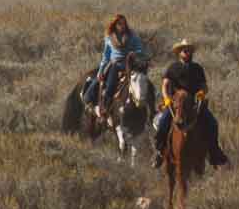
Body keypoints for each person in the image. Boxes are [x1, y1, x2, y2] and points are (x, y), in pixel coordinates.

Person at [153, 40, 229, 168]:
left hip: (194, 103)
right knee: (163, 123)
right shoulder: (173, 67)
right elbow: (165, 85)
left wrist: (201, 93)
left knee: (212, 123)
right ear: (180, 53)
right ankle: (160, 152)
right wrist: (166, 99)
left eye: (189, 50)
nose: (187, 53)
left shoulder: (197, 68)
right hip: (175, 104)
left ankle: (214, 152)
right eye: (185, 50)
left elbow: (204, 86)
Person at [95, 14, 146, 109]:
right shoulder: (109, 38)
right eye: (119, 24)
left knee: (143, 80)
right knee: (110, 85)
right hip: (115, 65)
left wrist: (135, 53)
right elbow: (105, 56)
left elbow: (140, 49)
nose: (122, 26)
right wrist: (101, 70)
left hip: (130, 63)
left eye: (124, 23)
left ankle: (150, 107)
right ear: (114, 25)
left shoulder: (133, 36)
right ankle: (105, 107)